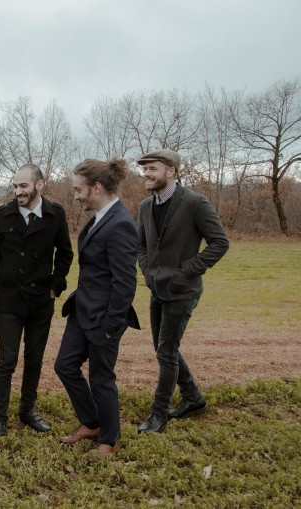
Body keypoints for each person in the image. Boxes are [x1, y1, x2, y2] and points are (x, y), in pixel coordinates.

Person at [136, 149, 229, 433]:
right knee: (163, 348)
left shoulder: (194, 202)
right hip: (157, 289)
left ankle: (158, 414)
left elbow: (220, 243)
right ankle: (193, 398)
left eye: (152, 169)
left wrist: (186, 270)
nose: (146, 174)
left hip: (183, 290)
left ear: (172, 171)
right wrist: (148, 271)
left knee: (166, 352)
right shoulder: (145, 206)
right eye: (144, 169)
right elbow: (141, 245)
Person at [0, 164, 73, 436]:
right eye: (15, 186)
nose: (18, 191)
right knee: (6, 361)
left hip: (41, 300)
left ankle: (27, 411)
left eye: (23, 186)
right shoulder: (3, 215)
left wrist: (56, 284)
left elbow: (65, 253)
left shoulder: (55, 214)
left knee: (34, 359)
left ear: (39, 185)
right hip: (9, 299)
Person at [54, 158, 139, 457]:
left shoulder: (121, 223)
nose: (76, 196)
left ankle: (109, 440)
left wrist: (111, 326)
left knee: (102, 378)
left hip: (104, 318)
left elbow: (125, 282)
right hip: (82, 310)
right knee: (64, 366)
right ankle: (92, 423)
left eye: (79, 190)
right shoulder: (101, 217)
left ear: (97, 187)